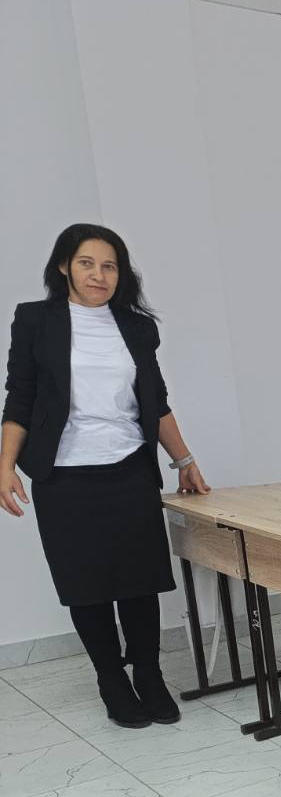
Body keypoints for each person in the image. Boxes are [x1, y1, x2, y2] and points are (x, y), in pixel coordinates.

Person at [2, 223, 211, 728]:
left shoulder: (137, 328)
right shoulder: (35, 321)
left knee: (140, 580)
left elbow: (156, 401)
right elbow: (20, 397)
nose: (99, 275)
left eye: (109, 266)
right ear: (64, 267)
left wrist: (184, 461)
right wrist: (5, 464)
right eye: (86, 263)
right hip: (63, 476)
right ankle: (111, 679)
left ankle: (149, 675)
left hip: (128, 468)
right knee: (86, 584)